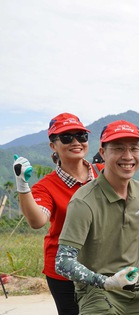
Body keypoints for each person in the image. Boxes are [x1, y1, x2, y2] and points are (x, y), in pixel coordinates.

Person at [55, 120, 139, 315]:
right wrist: (106, 282)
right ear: (103, 152)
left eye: (134, 148)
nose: (128, 156)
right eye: (118, 148)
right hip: (99, 293)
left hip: (138, 291)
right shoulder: (84, 201)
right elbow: (63, 262)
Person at [12, 113, 102, 315]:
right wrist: (23, 185)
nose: (76, 142)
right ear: (53, 145)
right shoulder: (46, 186)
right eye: (67, 138)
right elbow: (38, 220)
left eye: (81, 136)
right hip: (64, 272)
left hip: (101, 264)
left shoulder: (103, 173)